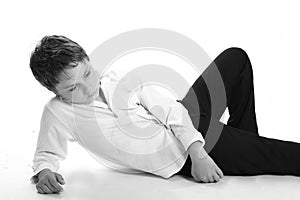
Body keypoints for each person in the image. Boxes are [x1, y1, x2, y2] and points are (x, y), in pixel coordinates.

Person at [28, 35, 300, 195]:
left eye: (87, 73)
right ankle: (249, 149)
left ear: (89, 61)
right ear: (53, 90)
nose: (88, 87)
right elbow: (46, 154)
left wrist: (200, 154)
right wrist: (44, 173)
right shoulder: (58, 113)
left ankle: (247, 144)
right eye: (73, 88)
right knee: (283, 156)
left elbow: (170, 109)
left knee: (235, 59)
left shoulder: (115, 79)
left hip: (186, 122)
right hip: (177, 154)